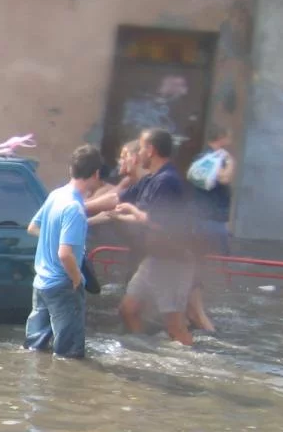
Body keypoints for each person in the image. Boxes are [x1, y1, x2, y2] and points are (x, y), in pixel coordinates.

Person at [112, 128, 197, 346]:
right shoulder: (151, 179)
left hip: (173, 261)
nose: (138, 153)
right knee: (128, 310)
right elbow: (117, 199)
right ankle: (148, 351)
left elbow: (159, 222)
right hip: (155, 259)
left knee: (175, 326)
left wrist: (132, 211)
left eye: (141, 148)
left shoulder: (167, 181)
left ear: (150, 150)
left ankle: (191, 360)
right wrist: (82, 206)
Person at [24, 144, 105, 359]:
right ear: (96, 174)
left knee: (35, 348)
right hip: (62, 284)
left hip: (41, 282)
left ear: (71, 169)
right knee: (69, 355)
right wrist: (77, 278)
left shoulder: (56, 195)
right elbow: (65, 254)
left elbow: (33, 227)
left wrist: (53, 241)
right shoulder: (74, 208)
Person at [184, 126, 234, 332]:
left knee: (199, 265)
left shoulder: (203, 158)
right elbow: (224, 178)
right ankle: (196, 312)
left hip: (203, 220)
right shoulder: (215, 158)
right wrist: (231, 162)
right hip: (207, 221)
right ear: (221, 137)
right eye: (228, 135)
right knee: (200, 266)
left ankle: (194, 310)